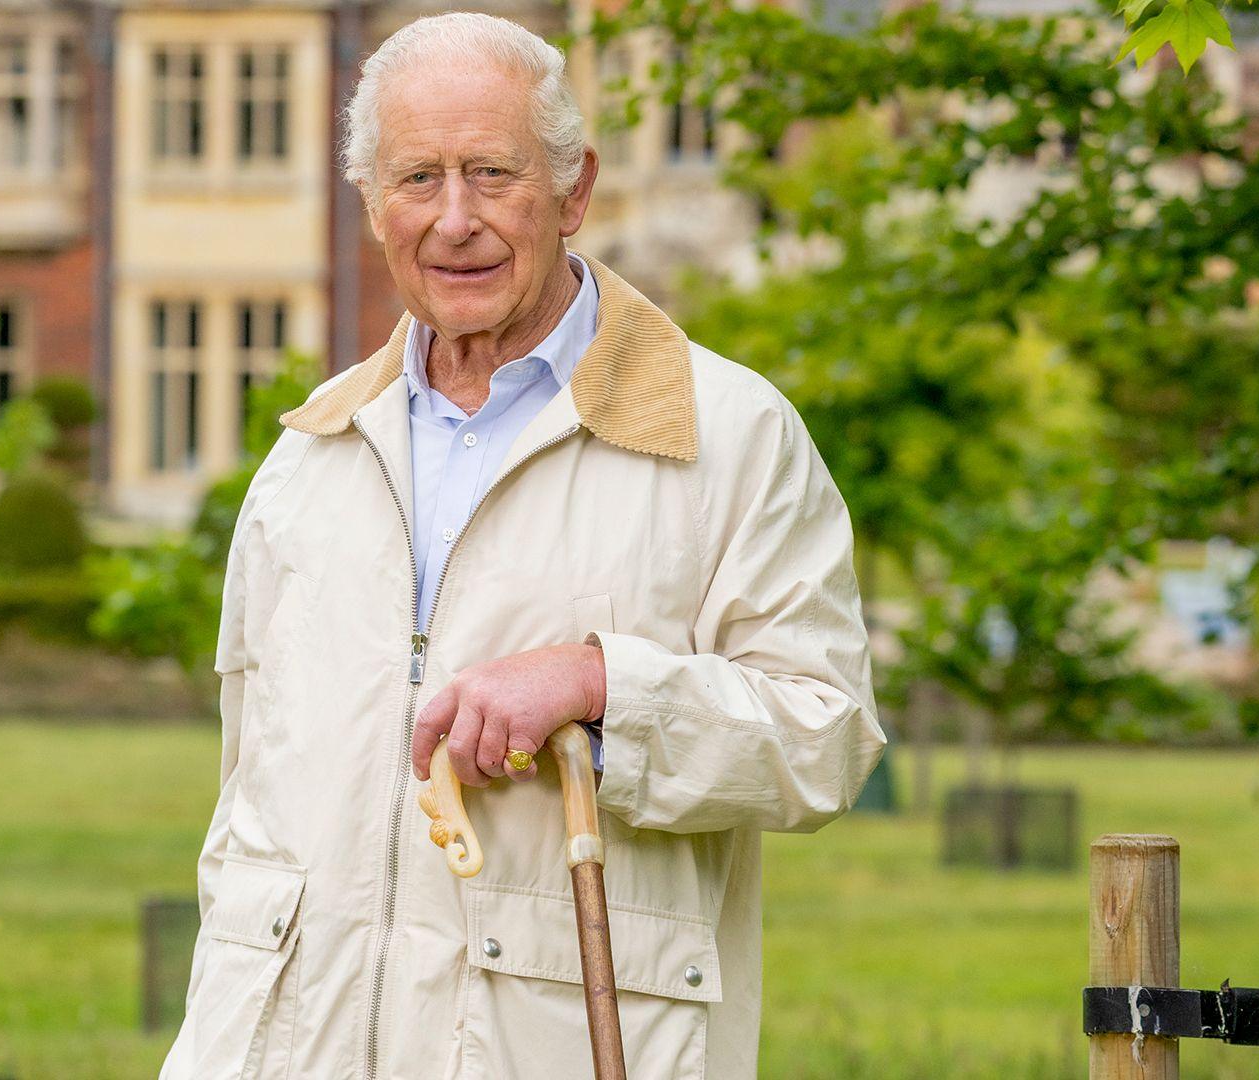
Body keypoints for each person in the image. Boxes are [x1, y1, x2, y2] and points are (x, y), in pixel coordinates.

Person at [161, 11, 886, 1080]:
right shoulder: (308, 457)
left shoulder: (729, 433)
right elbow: (246, 818)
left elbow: (825, 738)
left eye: (493, 173)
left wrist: (606, 686)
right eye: (416, 180)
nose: (454, 220)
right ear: (371, 204)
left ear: (573, 191)